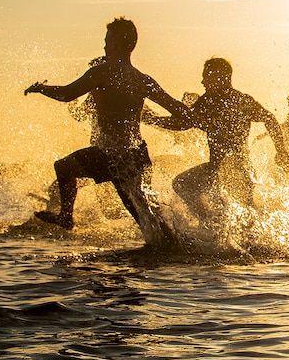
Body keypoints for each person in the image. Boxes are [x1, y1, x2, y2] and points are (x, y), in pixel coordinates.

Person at [23, 17, 190, 246]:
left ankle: (65, 217)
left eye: (107, 40)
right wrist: (195, 117)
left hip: (110, 155)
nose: (104, 45)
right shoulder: (142, 79)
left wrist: (41, 88)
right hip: (135, 156)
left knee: (63, 167)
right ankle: (177, 244)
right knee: (144, 217)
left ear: (119, 43)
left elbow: (67, 94)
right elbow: (179, 112)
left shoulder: (102, 71)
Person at [144, 57, 289, 222]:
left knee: (245, 214)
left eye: (206, 76)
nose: (202, 82)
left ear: (221, 77)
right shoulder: (212, 100)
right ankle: (211, 222)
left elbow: (269, 118)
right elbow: (184, 122)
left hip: (237, 168)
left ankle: (218, 226)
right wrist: (153, 119)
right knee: (183, 184)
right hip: (220, 167)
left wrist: (281, 150)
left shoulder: (235, 100)